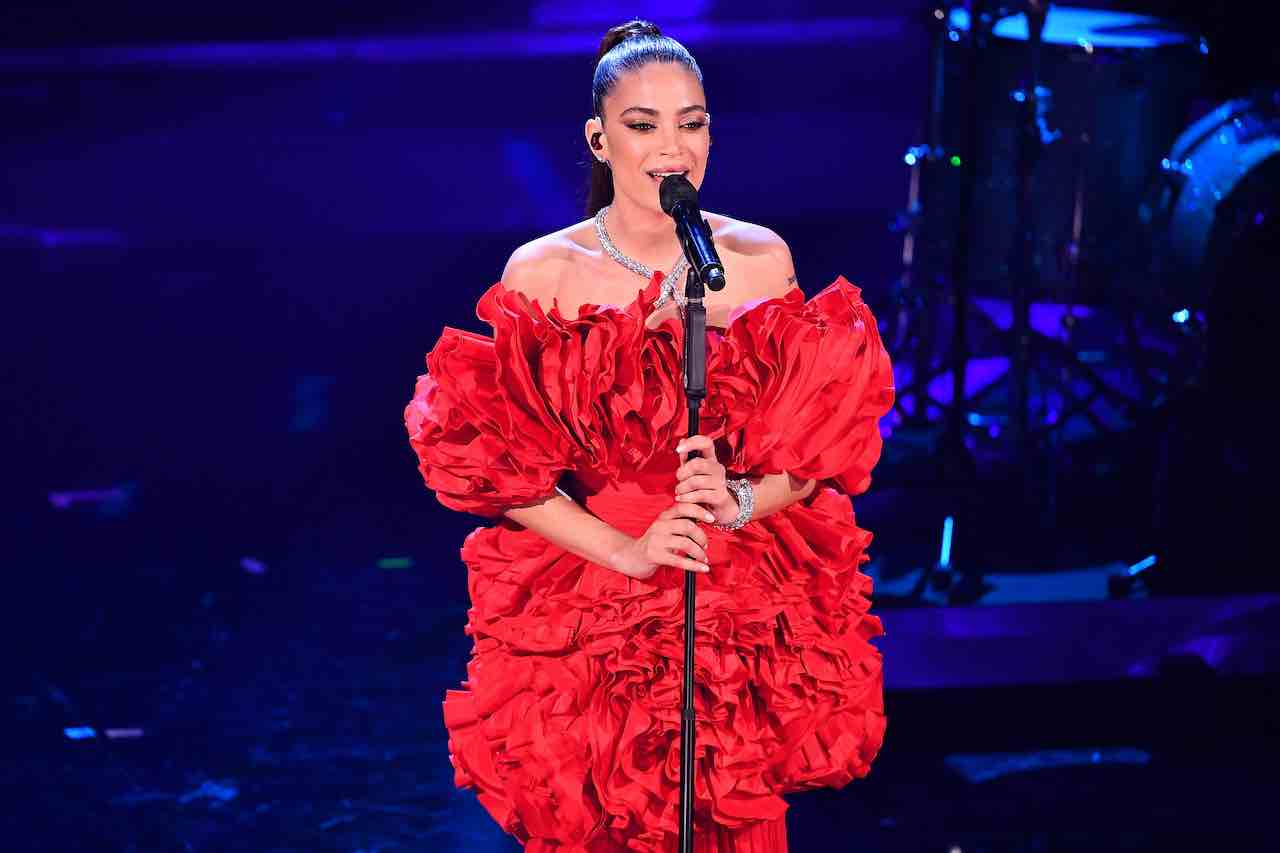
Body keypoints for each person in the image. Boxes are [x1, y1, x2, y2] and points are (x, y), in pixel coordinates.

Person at [404, 20, 894, 852]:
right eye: (644, 124)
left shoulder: (759, 260)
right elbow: (493, 464)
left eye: (692, 121)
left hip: (735, 586)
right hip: (598, 588)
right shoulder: (544, 273)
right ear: (599, 138)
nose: (674, 145)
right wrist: (627, 549)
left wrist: (743, 496)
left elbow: (823, 443)